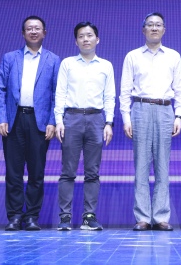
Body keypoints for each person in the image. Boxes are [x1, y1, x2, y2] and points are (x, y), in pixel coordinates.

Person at [120, 12, 181, 231]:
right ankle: (142, 217)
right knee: (141, 165)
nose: (154, 28)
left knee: (162, 165)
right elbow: (125, 91)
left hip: (165, 110)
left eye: (158, 25)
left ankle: (160, 216)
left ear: (164, 30)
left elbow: (180, 89)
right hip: (140, 109)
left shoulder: (173, 56)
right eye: (150, 25)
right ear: (143, 29)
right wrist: (126, 118)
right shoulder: (132, 56)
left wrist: (178, 115)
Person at [0, 16, 60, 231]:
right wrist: (1, 118)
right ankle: (14, 216)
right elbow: (0, 90)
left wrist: (52, 121)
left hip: (39, 122)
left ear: (44, 33)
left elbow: (57, 94)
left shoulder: (53, 60)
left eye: (37, 28)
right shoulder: (9, 58)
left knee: (36, 172)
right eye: (29, 28)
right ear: (23, 33)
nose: (33, 31)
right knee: (13, 172)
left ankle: (32, 216)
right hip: (14, 120)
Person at [54, 22, 115, 231]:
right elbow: (60, 93)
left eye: (89, 35)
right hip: (71, 118)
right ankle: (65, 217)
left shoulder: (106, 65)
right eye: (81, 36)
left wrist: (109, 123)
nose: (86, 39)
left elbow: (109, 96)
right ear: (76, 41)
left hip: (96, 119)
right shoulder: (67, 64)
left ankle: (89, 217)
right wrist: (59, 121)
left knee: (92, 172)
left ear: (97, 39)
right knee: (68, 171)